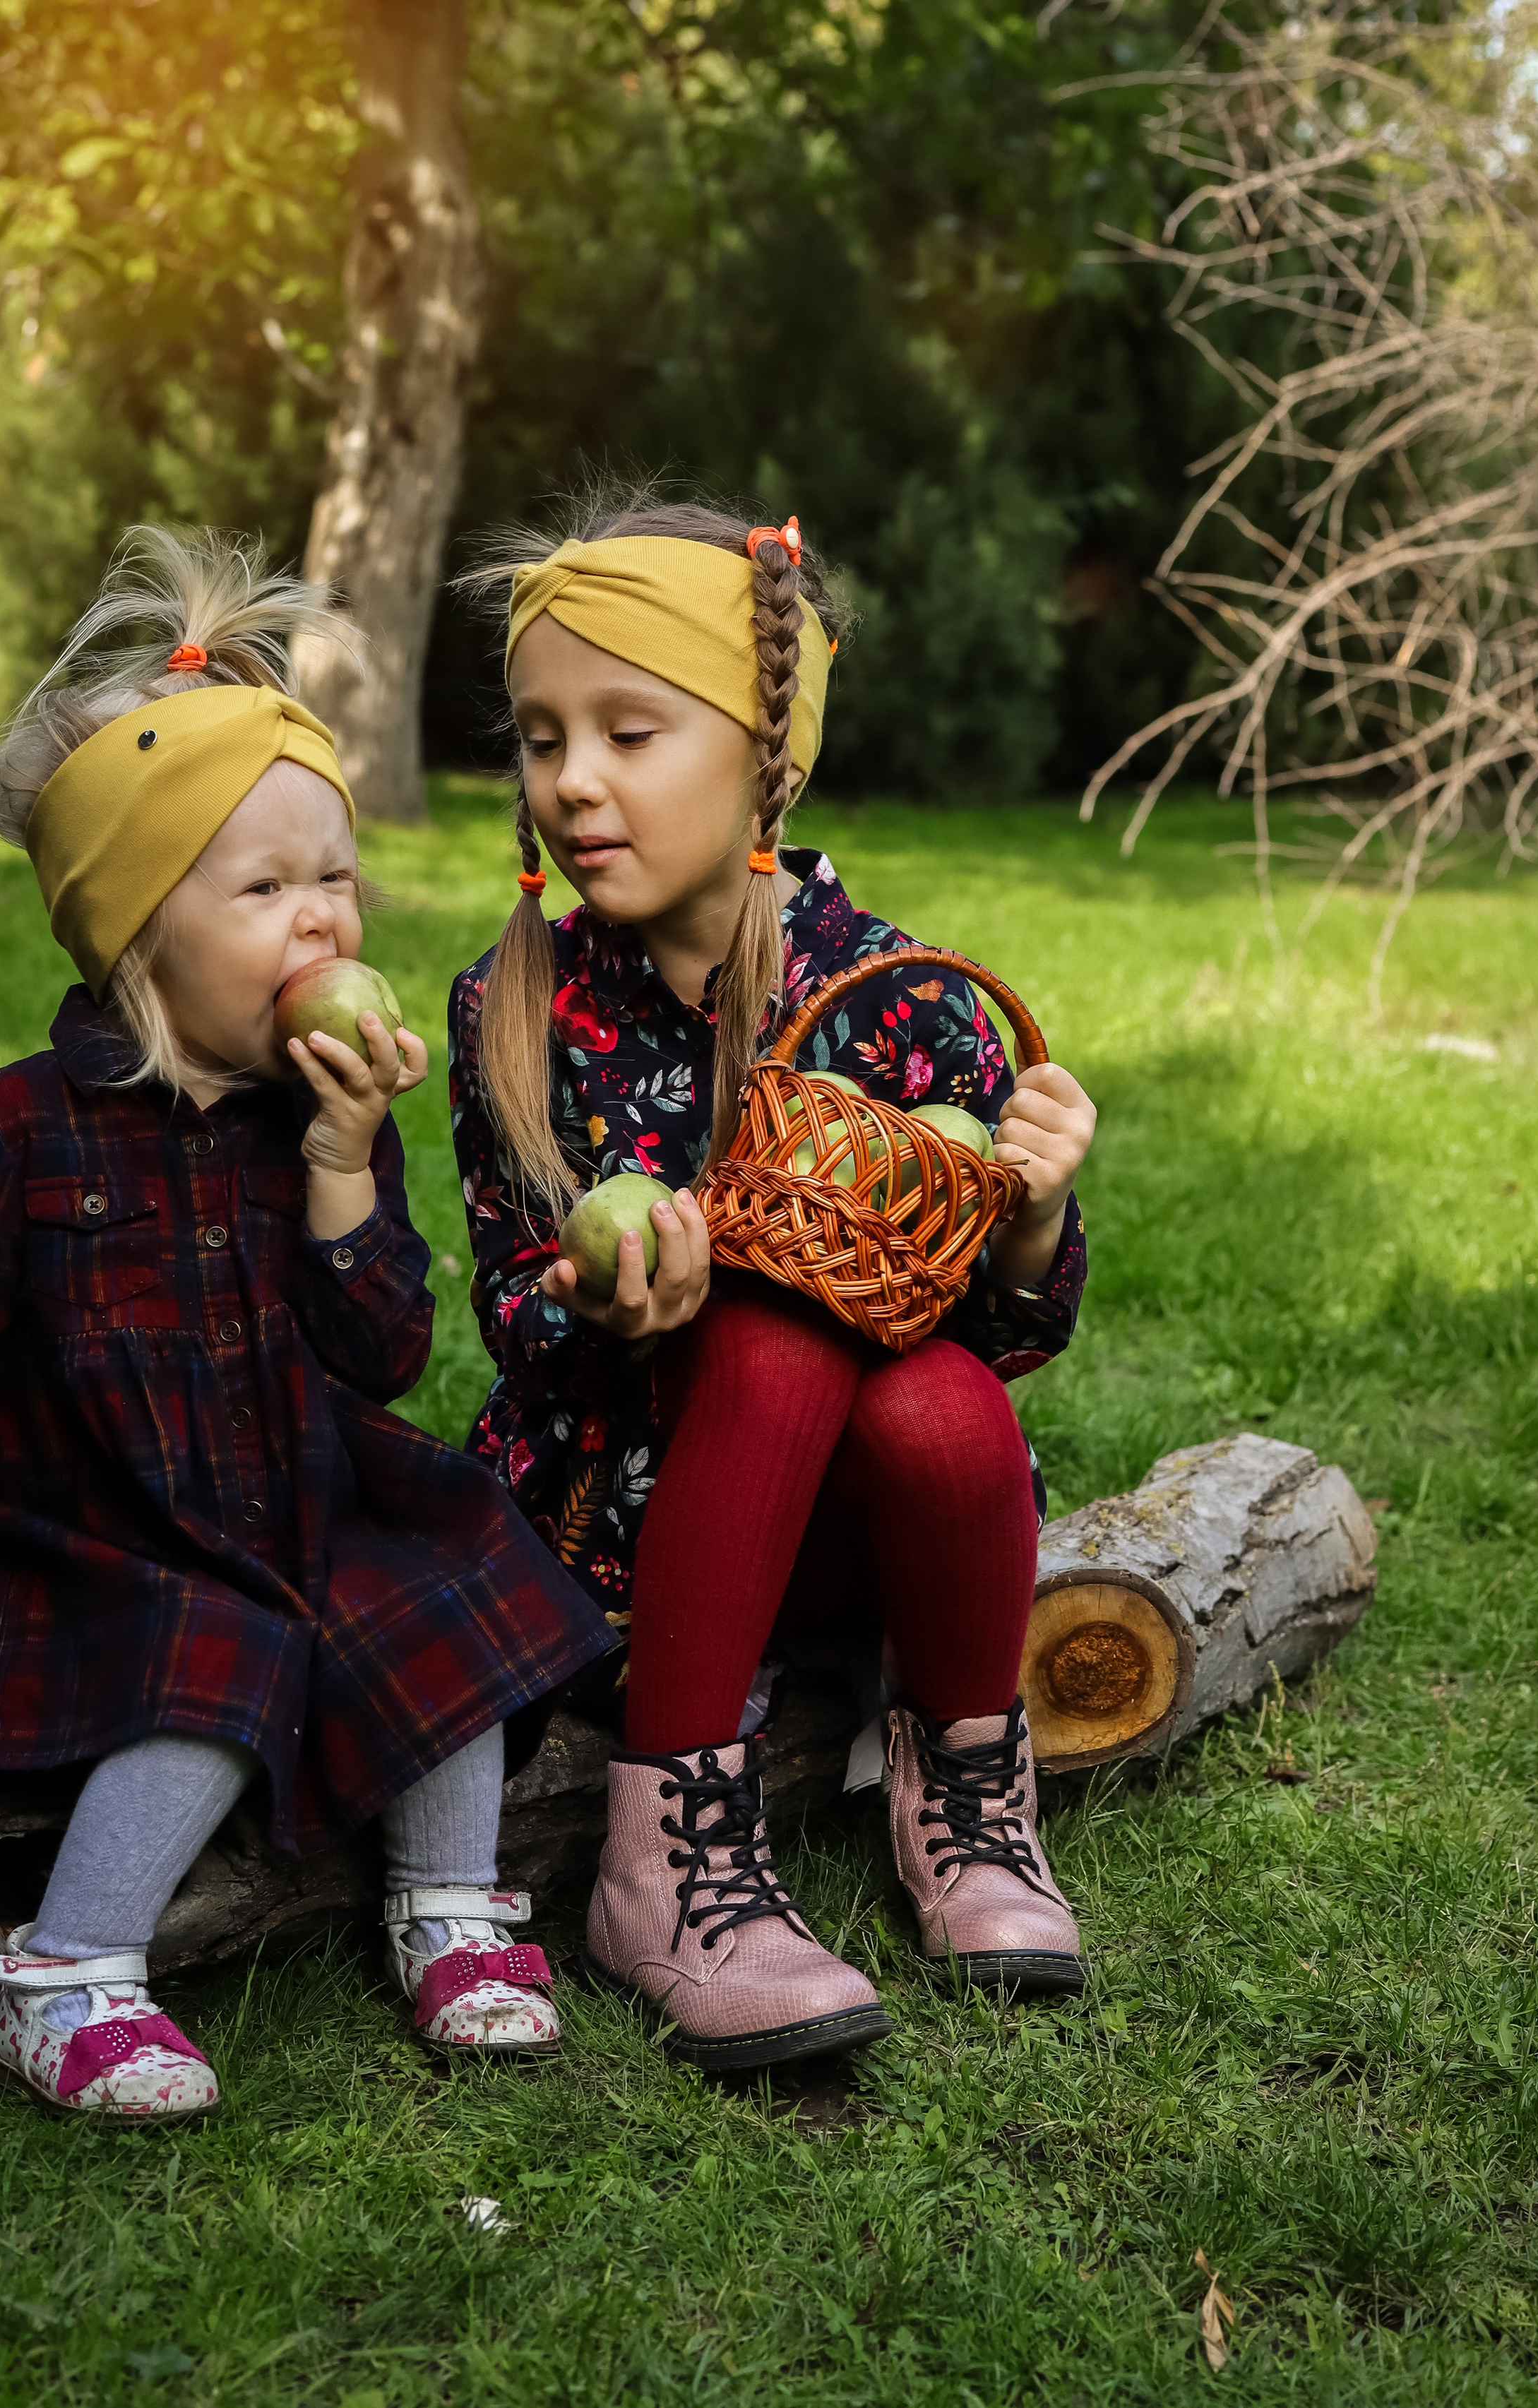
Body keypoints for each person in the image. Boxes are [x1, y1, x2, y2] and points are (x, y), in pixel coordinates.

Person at [0, 528, 616, 2121]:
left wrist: (343, 1170)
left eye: (333, 878)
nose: (322, 921)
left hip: (298, 1486)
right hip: (111, 1533)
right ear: (136, 933)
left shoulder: (323, 1113)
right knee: (217, 1650)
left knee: (448, 1569)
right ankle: (67, 1968)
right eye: (263, 887)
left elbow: (382, 1356)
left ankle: (450, 1903)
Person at [446, 494, 1097, 2073]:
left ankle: (960, 1778)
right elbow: (513, 1311)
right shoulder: (518, 1009)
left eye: (627, 731)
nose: (572, 780)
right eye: (541, 738)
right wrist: (600, 1309)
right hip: (624, 1531)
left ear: (766, 754)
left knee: (935, 1402)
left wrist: (1024, 1218)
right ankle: (658, 1856)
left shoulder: (896, 999)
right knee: (767, 1321)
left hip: (843, 1554)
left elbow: (1003, 1333)